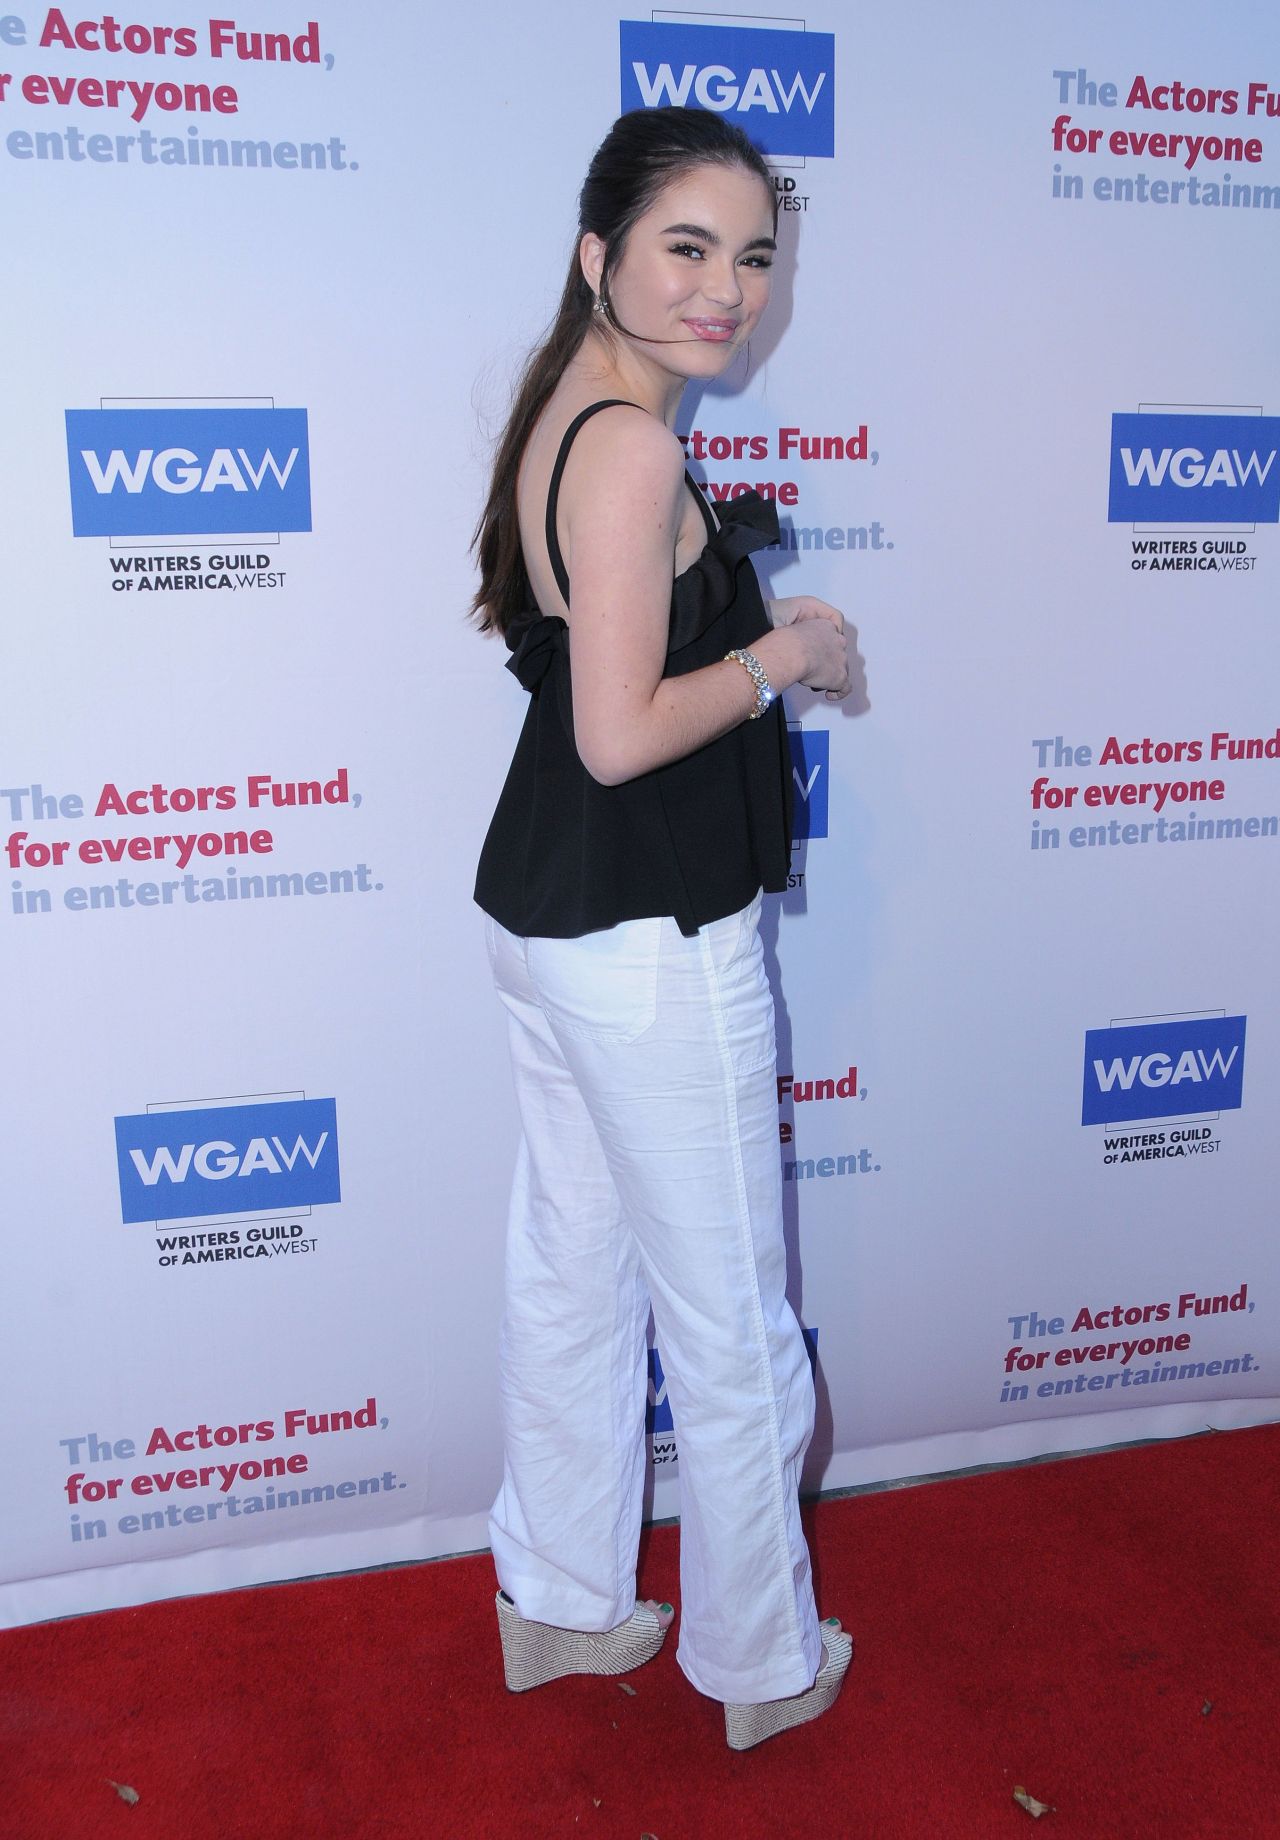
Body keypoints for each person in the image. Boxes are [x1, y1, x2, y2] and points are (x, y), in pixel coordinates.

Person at [471, 105, 855, 1751]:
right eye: (686, 249)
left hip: (556, 917)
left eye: (752, 256)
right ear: (599, 255)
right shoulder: (630, 442)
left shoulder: (574, 409)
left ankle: (558, 1602)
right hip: (644, 933)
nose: (726, 290)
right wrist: (795, 652)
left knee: (573, 1274)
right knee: (731, 1320)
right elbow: (621, 729)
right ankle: (763, 1663)